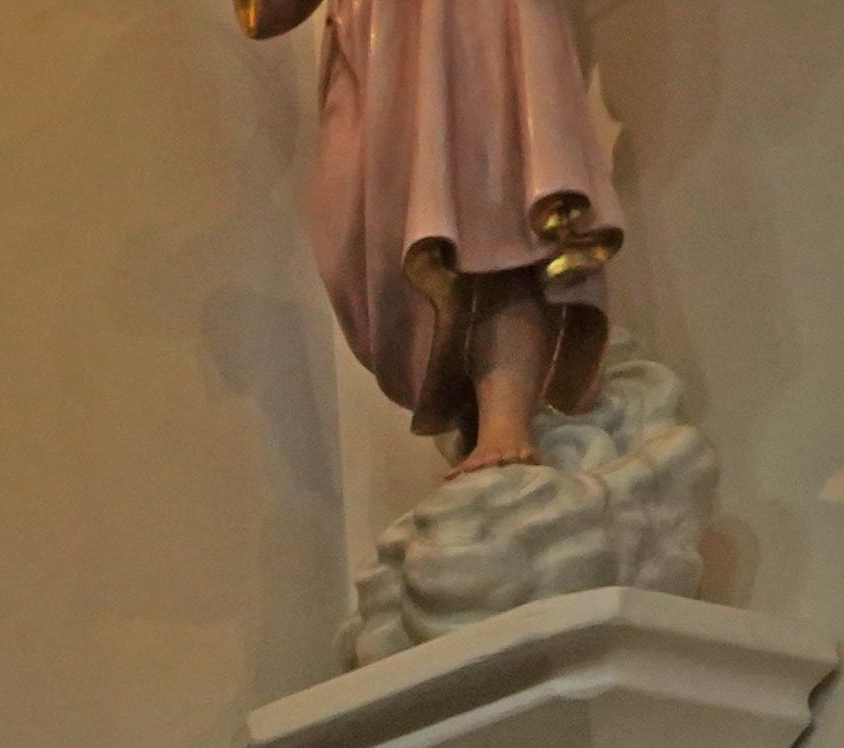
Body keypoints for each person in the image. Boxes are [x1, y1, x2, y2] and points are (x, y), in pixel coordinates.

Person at [241, 0, 622, 473]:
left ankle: (503, 420)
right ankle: (469, 397)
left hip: (477, 15)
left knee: (490, 196)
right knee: (346, 237)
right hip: (372, 29)